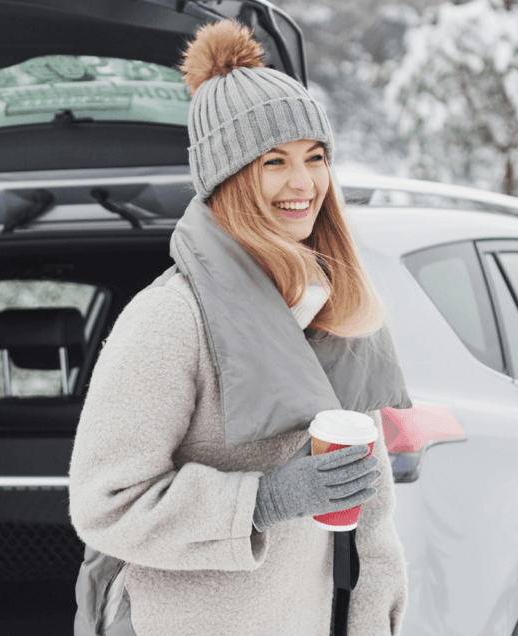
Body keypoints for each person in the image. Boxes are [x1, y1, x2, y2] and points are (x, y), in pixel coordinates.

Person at [67, 21, 414, 636]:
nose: (303, 183)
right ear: (228, 179)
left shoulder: (334, 310)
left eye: (316, 158)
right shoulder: (171, 320)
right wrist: (267, 500)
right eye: (273, 161)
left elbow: (372, 514)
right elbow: (106, 504)